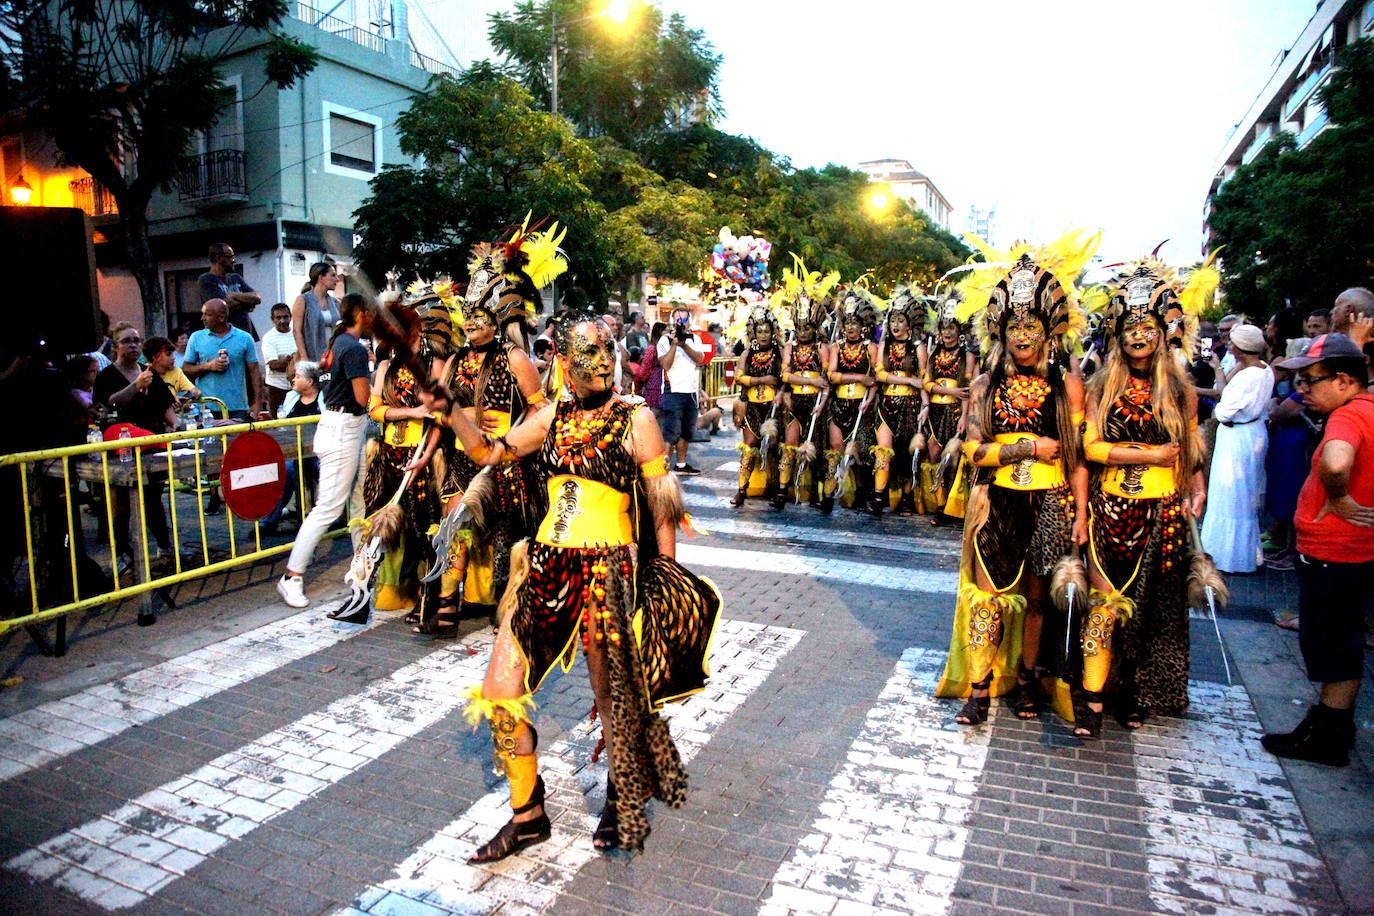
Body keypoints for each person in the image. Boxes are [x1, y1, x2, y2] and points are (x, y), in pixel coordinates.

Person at [448, 311, 720, 861]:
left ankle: (623, 796)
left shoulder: (636, 418)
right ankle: (528, 815)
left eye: (607, 349)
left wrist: (664, 578)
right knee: (500, 694)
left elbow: (661, 510)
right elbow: (489, 452)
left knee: (611, 695)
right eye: (587, 354)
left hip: (608, 573)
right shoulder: (551, 416)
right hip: (546, 568)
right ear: (565, 365)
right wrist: (449, 409)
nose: (601, 362)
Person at [934, 234, 1096, 726]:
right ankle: (979, 690)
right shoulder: (985, 384)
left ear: (1049, 331)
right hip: (997, 500)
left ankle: (1027, 679)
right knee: (990, 596)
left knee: (1040, 599)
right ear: (999, 331)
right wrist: (1025, 447)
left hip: (1050, 503)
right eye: (1013, 327)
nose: (1022, 336)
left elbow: (1078, 459)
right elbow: (973, 449)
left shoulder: (1067, 385)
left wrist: (1082, 515)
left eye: (1031, 326)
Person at [1075, 259, 1210, 738]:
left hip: (1162, 516)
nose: (1137, 335)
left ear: (1161, 334)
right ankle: (1092, 700)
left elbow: (1191, 453)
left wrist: (1196, 488)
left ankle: (1134, 692)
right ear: (1117, 334)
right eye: (1129, 326)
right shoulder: (1099, 387)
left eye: (1146, 327)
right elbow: (1090, 449)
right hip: (1107, 512)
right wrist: (1152, 454)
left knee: (1148, 609)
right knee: (1104, 604)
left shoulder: (1180, 390)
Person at [1261, 333, 1374, 766]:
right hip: (1349, 551)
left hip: (1336, 552)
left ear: (1344, 381)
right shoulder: (1364, 408)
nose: (1301, 391)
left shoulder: (1348, 417)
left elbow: (1335, 462)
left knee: (1332, 645)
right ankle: (1331, 725)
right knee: (1340, 643)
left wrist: (1338, 495)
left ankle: (1329, 735)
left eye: (1310, 381)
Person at [277, 293, 375, 609]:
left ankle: (362, 568)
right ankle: (292, 576)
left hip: (341, 427)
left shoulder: (339, 344)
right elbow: (363, 399)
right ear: (360, 314)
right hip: (344, 428)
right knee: (328, 509)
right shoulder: (353, 348)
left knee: (358, 499)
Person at [93, 327, 178, 561]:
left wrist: (177, 425)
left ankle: (164, 547)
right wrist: (136, 385)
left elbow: (165, 406)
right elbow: (109, 404)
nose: (132, 345)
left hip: (152, 444)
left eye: (136, 341)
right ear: (116, 346)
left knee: (152, 498)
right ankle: (120, 553)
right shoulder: (107, 375)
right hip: (122, 445)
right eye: (126, 341)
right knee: (121, 501)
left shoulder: (149, 372)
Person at [1200, 323, 1274, 573]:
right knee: (1243, 497)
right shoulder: (1263, 369)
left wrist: (1217, 408)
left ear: (1241, 347)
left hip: (1237, 437)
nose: (1228, 345)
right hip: (1251, 433)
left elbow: (1223, 409)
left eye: (1232, 342)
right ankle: (1241, 554)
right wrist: (1219, 368)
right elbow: (1223, 391)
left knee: (1230, 495)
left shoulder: (1249, 376)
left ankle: (1226, 557)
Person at [776, 266, 836, 511]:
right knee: (790, 446)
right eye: (799, 328)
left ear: (815, 328)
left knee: (820, 449)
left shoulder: (822, 347)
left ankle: (825, 496)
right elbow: (786, 375)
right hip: (795, 402)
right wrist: (810, 382)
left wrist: (822, 402)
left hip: (816, 405)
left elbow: (827, 380)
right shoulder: (789, 347)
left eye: (807, 328)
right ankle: (782, 491)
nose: (802, 333)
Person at [822, 290, 880, 514]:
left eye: (855, 323)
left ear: (863, 326)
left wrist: (870, 399)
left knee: (862, 452)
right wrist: (858, 378)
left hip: (862, 405)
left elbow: (874, 380)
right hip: (839, 404)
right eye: (847, 323)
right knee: (835, 449)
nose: (850, 328)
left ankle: (862, 496)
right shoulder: (836, 348)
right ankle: (828, 494)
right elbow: (832, 375)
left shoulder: (871, 348)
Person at [871, 287, 927, 516]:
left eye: (900, 320)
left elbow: (924, 378)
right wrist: (907, 381)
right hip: (886, 404)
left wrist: (925, 405)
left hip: (911, 406)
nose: (895, 325)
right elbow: (879, 374)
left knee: (906, 454)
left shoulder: (919, 347)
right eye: (892, 319)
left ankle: (906, 499)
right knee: (883, 451)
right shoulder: (884, 345)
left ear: (909, 324)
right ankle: (878, 496)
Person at [922, 296, 978, 523]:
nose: (948, 332)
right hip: (935, 411)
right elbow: (926, 382)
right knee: (934, 455)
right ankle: (939, 505)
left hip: (956, 412)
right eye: (945, 327)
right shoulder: (933, 353)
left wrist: (964, 416)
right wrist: (942, 395)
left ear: (960, 330)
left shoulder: (968, 356)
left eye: (952, 328)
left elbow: (967, 391)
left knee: (952, 457)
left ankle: (955, 506)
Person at [730, 303, 784, 508]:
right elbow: (739, 377)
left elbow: (783, 379)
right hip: (751, 406)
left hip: (772, 407)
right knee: (749, 447)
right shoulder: (747, 353)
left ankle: (775, 488)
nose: (763, 335)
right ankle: (741, 489)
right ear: (753, 332)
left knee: (772, 447)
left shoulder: (779, 353)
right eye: (759, 331)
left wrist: (778, 390)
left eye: (766, 331)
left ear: (772, 332)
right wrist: (762, 380)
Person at [261, 361, 321, 535]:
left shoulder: (324, 398)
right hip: (294, 453)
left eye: (298, 376)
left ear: (310, 382)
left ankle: (329, 518)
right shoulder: (291, 398)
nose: (293, 379)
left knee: (327, 470)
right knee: (284, 471)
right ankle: (269, 521)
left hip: (319, 452)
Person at [182, 299, 267, 421]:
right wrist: (209, 366)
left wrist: (258, 402)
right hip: (206, 408)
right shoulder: (196, 338)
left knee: (236, 440)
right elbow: (186, 369)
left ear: (221, 318)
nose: (202, 318)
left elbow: (255, 371)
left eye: (207, 314)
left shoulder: (244, 338)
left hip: (237, 407)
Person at [657, 307, 706, 475]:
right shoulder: (664, 340)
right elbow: (665, 364)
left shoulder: (695, 339)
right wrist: (674, 345)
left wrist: (684, 345)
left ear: (689, 321)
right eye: (678, 320)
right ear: (672, 321)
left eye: (684, 320)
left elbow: (700, 359)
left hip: (690, 391)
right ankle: (663, 468)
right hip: (673, 390)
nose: (681, 323)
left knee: (686, 431)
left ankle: (681, 464)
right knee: (671, 431)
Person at [198, 243, 261, 340]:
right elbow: (221, 306)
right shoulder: (207, 280)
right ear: (219, 258)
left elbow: (256, 297)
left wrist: (233, 295)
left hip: (245, 335)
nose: (234, 260)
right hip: (224, 337)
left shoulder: (235, 277)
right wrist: (245, 302)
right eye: (230, 257)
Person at [291, 261, 343, 363]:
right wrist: (304, 357)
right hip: (312, 356)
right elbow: (297, 331)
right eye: (332, 275)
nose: (337, 279)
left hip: (333, 356)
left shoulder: (335, 303)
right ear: (321, 278)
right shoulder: (303, 300)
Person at [260, 303, 296, 416]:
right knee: (276, 422)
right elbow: (273, 365)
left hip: (297, 387)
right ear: (272, 319)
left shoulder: (298, 333)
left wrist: (287, 360)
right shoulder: (268, 338)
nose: (282, 321)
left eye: (285, 317)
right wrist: (293, 360)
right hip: (276, 388)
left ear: (291, 317)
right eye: (278, 317)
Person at [633, 321, 666, 416]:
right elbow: (644, 370)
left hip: (657, 387)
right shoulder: (653, 349)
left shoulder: (657, 348)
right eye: (665, 330)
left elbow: (643, 371)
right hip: (655, 388)